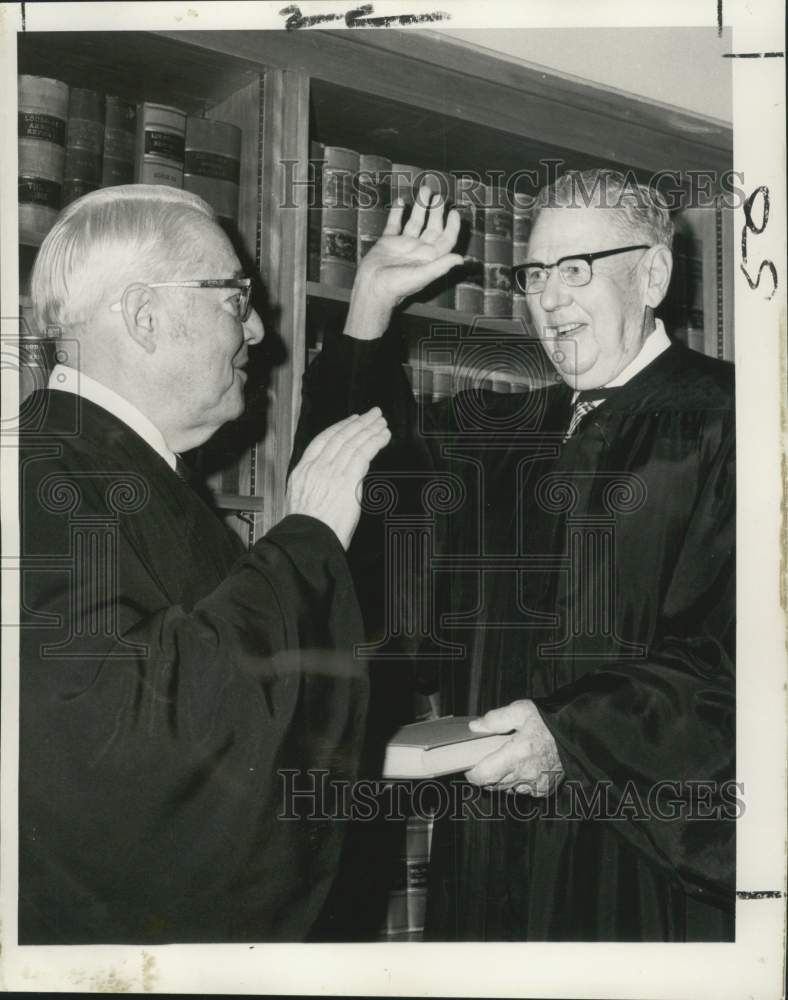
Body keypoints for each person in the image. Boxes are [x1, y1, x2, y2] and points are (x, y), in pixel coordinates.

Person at [294, 168, 736, 941]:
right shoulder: (506, 434)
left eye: (576, 270)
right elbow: (366, 484)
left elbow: (746, 663)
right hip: (491, 839)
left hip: (633, 853)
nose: (549, 298)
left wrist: (570, 734)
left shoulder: (737, 423)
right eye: (535, 274)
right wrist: (368, 309)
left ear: (654, 275)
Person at [18, 184, 390, 944]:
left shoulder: (114, 471)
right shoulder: (41, 478)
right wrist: (306, 540)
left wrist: (370, 763)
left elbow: (225, 711)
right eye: (233, 298)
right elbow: (127, 750)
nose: (258, 328)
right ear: (144, 316)